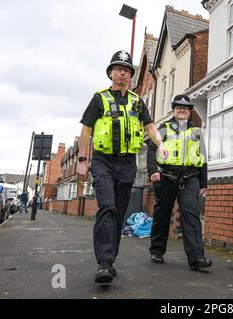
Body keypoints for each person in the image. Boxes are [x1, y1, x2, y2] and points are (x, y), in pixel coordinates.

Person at [76, 50, 167, 284]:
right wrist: (82, 161)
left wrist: (161, 144)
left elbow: (150, 127)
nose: (122, 73)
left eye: (126, 70)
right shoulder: (99, 99)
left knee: (118, 214)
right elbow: (86, 131)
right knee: (106, 207)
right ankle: (104, 263)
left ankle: (110, 260)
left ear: (130, 76)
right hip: (103, 161)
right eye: (118, 69)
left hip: (127, 164)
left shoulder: (138, 103)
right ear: (111, 73)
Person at [147, 94, 212, 271]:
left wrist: (204, 183)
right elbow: (152, 149)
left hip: (191, 178)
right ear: (174, 110)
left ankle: (197, 257)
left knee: (191, 216)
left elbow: (203, 158)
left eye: (185, 108)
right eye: (178, 107)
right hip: (166, 177)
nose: (182, 110)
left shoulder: (197, 131)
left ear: (190, 112)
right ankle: (157, 251)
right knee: (162, 214)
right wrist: (153, 170)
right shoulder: (164, 128)